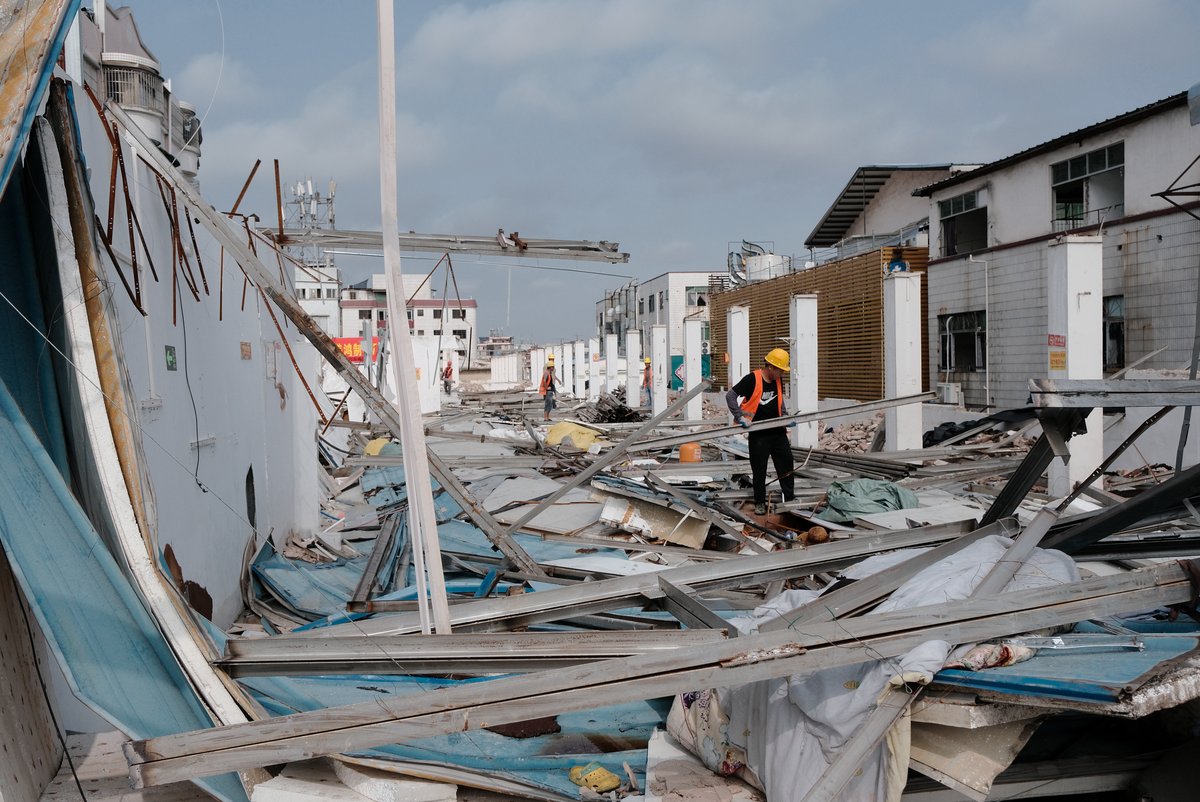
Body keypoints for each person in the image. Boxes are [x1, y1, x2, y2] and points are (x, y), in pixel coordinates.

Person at [725, 348, 795, 515]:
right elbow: (730, 396)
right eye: (780, 370)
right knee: (759, 470)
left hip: (777, 431)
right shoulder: (752, 379)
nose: (781, 374)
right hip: (758, 433)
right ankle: (760, 503)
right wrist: (740, 416)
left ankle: (790, 500)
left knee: (786, 464)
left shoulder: (777, 379)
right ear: (771, 367)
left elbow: (779, 399)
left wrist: (785, 417)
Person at [539, 355, 558, 421]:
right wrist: (547, 388)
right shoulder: (546, 373)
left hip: (550, 390)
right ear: (550, 367)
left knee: (549, 405)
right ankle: (545, 418)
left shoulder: (549, 372)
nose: (553, 368)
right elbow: (544, 380)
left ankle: (547, 417)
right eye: (553, 367)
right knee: (548, 404)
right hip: (547, 391)